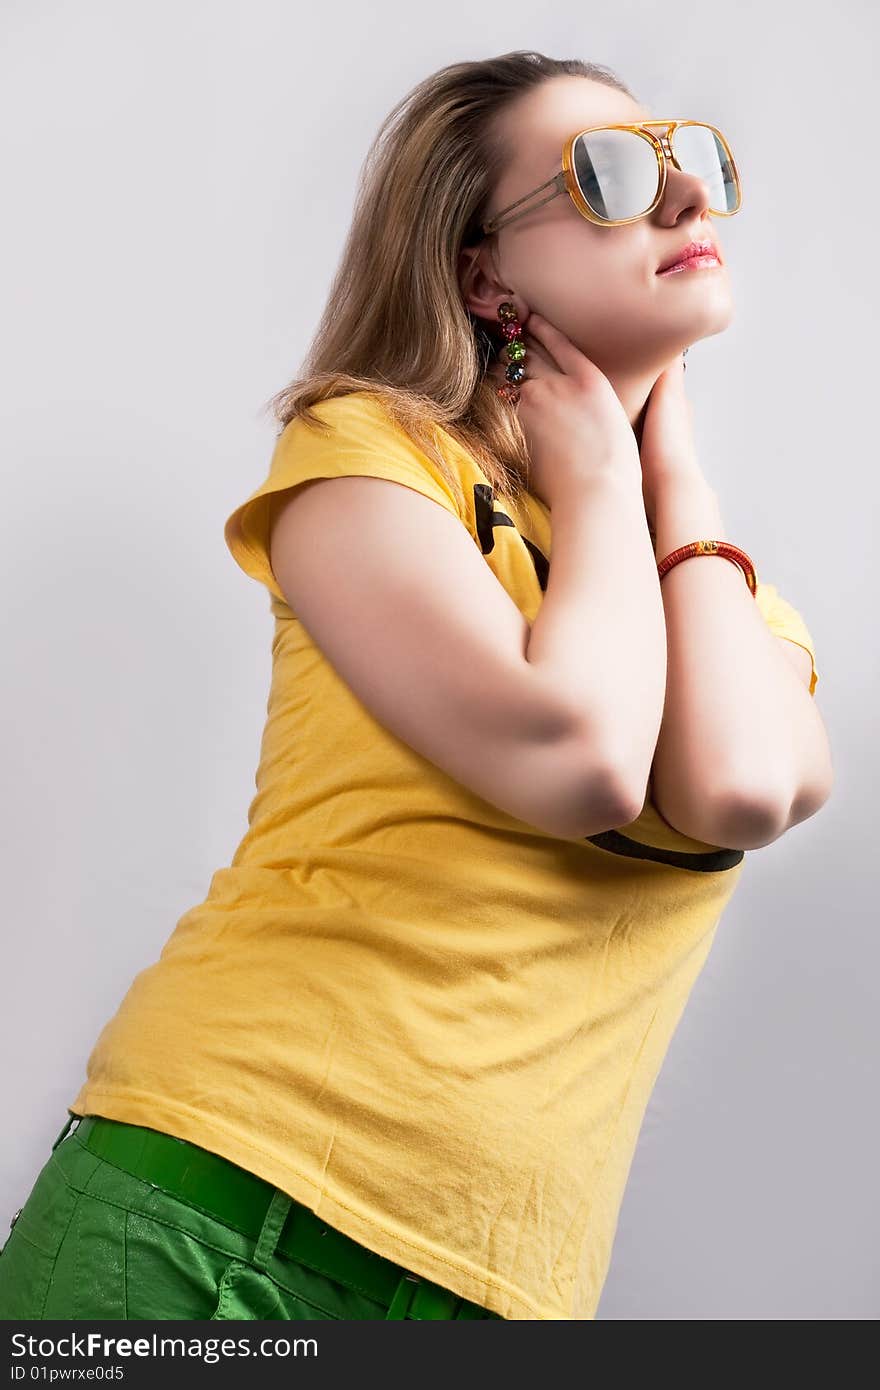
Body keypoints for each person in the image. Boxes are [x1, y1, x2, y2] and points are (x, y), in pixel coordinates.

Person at [0, 49, 832, 1323]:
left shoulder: (724, 595)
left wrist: (677, 489)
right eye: (609, 176)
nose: (681, 203)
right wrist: (602, 481)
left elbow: (736, 785)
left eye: (693, 163)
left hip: (503, 1287)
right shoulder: (367, 461)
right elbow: (587, 759)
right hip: (221, 1218)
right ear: (483, 271)